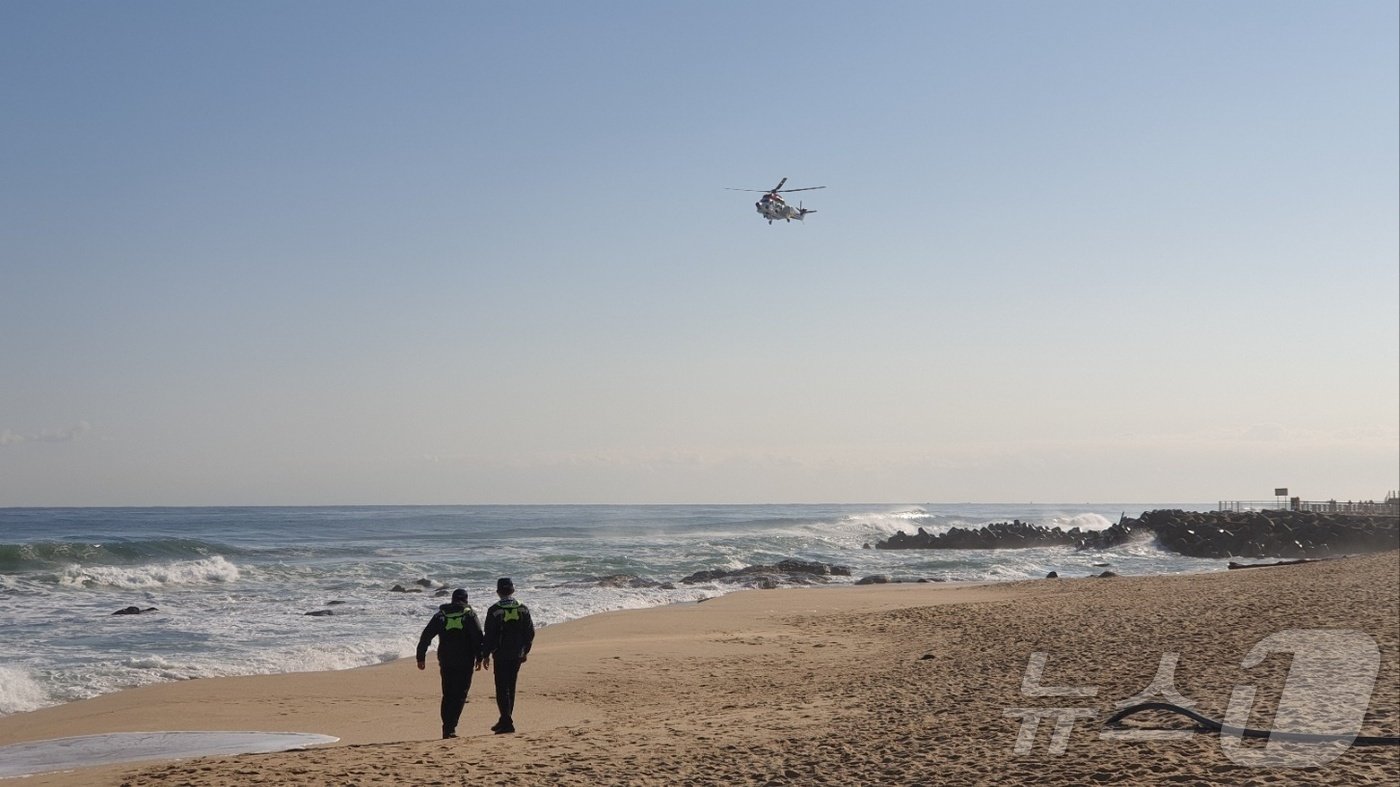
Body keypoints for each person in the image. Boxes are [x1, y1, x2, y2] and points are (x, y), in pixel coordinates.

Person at [416, 587, 484, 739]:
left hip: (446, 660)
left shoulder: (441, 615)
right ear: (466, 600)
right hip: (465, 661)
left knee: (447, 694)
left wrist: (420, 656)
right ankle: (451, 727)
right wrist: (480, 657)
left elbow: (426, 636)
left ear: (452, 599)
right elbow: (478, 637)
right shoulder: (469, 615)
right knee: (460, 694)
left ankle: (446, 727)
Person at [480, 577, 534, 734]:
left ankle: (507, 722)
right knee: (511, 687)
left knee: (501, 688)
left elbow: (489, 635)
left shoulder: (494, 610)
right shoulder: (523, 608)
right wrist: (525, 651)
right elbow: (529, 633)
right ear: (513, 590)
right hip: (517, 654)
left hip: (500, 654)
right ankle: (504, 719)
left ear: (498, 592)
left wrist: (485, 654)